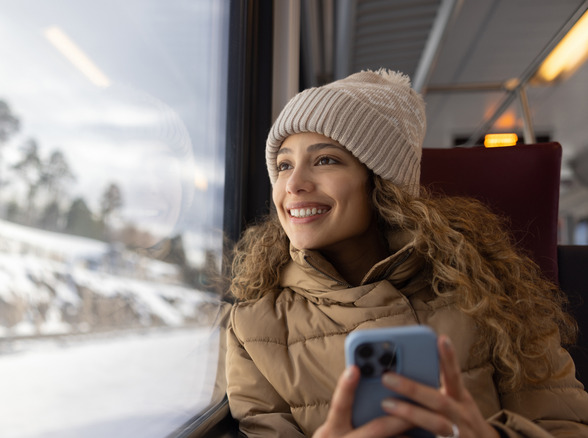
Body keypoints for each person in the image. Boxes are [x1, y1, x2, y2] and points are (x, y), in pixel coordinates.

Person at [224, 68, 588, 437]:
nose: (294, 184)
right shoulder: (253, 328)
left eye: (325, 160)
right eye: (284, 165)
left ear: (381, 182)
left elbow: (566, 427)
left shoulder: (494, 290)